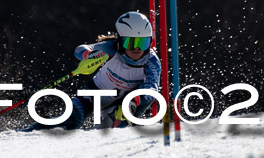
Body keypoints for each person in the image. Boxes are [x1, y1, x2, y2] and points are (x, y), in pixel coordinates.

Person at [21, 11, 161, 131]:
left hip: (127, 102)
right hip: (96, 92)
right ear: (119, 41)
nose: (137, 49)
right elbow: (80, 49)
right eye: (131, 43)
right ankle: (27, 133)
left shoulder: (151, 61)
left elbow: (152, 88)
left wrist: (134, 100)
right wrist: (87, 55)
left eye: (143, 43)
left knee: (118, 129)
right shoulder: (110, 48)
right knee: (69, 121)